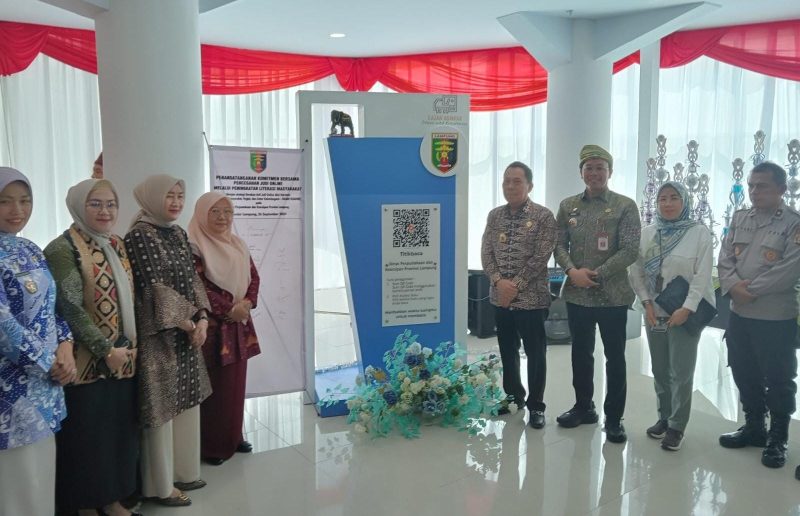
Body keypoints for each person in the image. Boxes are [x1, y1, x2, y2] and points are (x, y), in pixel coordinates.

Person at [44, 179, 140, 516]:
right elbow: (69, 307)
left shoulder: (116, 243)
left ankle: (112, 500)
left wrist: (123, 351)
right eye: (95, 204)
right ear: (78, 206)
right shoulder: (63, 248)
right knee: (87, 438)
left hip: (123, 360)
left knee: (117, 435)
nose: (105, 211)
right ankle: (85, 505)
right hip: (86, 363)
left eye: (111, 204)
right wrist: (104, 350)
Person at [124, 174, 212, 507]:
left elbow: (193, 279)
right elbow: (154, 288)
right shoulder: (139, 235)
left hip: (188, 331)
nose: (176, 202)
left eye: (180, 195)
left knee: (187, 401)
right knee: (160, 408)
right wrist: (189, 324)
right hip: (158, 334)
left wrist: (202, 318)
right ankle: (160, 485)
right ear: (152, 197)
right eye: (169, 195)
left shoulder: (177, 232)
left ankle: (184, 470)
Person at [0, 167, 76, 516]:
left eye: (25, 200)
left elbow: (51, 306)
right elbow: (4, 327)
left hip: (46, 387)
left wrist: (66, 346)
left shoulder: (30, 248)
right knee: (16, 483)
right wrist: (50, 363)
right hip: (10, 392)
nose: (17, 210)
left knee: (40, 479)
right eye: (5, 201)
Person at [553, 144, 641, 443]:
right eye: (588, 168)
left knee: (615, 357)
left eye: (600, 168)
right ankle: (583, 407)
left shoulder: (625, 205)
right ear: (581, 172)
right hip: (577, 294)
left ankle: (614, 418)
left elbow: (630, 249)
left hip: (613, 295)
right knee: (580, 353)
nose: (594, 173)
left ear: (610, 171)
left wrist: (596, 274)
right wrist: (571, 271)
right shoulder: (568, 206)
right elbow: (558, 245)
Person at [717, 161, 800, 469]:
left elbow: (789, 268)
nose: (754, 191)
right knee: (743, 371)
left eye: (761, 186)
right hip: (740, 314)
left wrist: (748, 290)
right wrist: (732, 286)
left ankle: (778, 438)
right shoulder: (740, 217)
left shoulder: (793, 223)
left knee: (779, 378)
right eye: (751, 185)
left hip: (775, 317)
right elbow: (725, 256)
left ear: (781, 189)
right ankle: (754, 427)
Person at [629, 182, 715, 451]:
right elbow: (636, 270)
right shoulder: (648, 233)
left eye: (674, 198)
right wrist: (646, 302)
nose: (667, 204)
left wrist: (687, 308)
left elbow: (702, 275)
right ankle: (664, 417)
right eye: (662, 198)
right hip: (654, 311)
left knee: (681, 371)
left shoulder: (699, 233)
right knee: (659, 368)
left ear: (684, 201)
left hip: (684, 312)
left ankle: (677, 425)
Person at [480, 161, 557, 429]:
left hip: (532, 299)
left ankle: (536, 406)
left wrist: (514, 285)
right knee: (507, 349)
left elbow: (541, 256)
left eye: (517, 181)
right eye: (506, 181)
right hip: (500, 299)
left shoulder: (543, 216)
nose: (510, 186)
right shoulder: (494, 216)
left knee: (535, 353)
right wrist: (498, 282)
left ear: (529, 185)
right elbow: (486, 253)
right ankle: (513, 397)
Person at [188, 192, 261, 465]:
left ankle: (233, 436)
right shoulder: (193, 246)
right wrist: (230, 309)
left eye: (227, 211)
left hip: (238, 326)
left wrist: (247, 302)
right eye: (215, 211)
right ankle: (213, 446)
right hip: (213, 328)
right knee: (215, 387)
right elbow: (198, 286)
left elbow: (254, 277)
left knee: (236, 384)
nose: (222, 217)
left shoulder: (238, 244)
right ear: (202, 214)